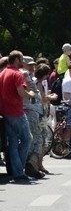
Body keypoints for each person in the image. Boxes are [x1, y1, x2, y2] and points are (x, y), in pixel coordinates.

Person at [0, 50, 35, 182]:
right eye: (21, 60)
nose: (23, 63)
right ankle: (19, 171)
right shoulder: (17, 74)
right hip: (16, 112)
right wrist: (30, 94)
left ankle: (17, 172)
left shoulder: (2, 73)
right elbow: (21, 92)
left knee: (13, 142)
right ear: (16, 60)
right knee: (27, 139)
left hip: (4, 112)